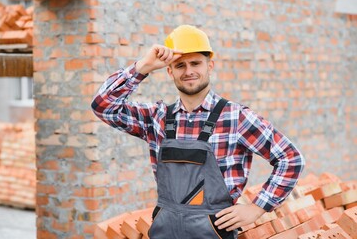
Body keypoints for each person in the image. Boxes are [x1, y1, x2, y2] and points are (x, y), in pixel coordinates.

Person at [91, 25, 305, 239]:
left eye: (195, 63)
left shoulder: (235, 117)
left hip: (213, 233)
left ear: (210, 65)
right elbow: (103, 105)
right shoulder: (156, 118)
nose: (188, 71)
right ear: (169, 71)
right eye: (180, 65)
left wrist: (257, 208)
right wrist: (143, 67)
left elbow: (290, 158)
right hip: (165, 232)